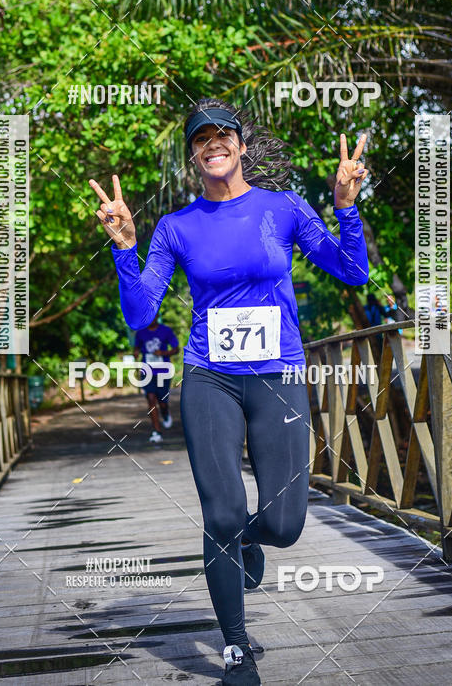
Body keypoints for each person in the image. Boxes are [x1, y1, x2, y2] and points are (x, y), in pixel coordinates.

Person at [89, 99, 369, 685]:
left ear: (240, 145)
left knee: (285, 524)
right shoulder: (176, 227)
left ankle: (247, 540)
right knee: (221, 513)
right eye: (201, 139)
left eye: (222, 135)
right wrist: (124, 248)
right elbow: (140, 314)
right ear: (194, 155)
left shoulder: (283, 208)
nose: (212, 144)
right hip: (209, 378)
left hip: (279, 374)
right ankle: (236, 647)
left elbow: (352, 271)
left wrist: (346, 208)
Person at [133, 314, 179, 443]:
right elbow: (136, 348)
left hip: (163, 370)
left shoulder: (166, 331)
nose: (151, 318)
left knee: (162, 401)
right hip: (147, 371)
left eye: (153, 316)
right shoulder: (140, 332)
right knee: (150, 398)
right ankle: (156, 431)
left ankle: (165, 413)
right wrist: (135, 352)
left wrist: (164, 353)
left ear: (157, 316)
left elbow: (176, 349)